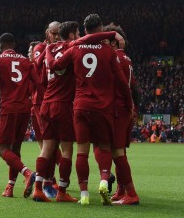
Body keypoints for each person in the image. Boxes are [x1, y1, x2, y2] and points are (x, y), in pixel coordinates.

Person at [45, 14, 132, 206]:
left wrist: (48, 51)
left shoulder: (75, 48)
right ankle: (103, 180)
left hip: (81, 105)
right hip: (103, 107)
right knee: (105, 147)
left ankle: (84, 193)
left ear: (84, 31)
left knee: (82, 151)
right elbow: (121, 81)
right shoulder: (108, 51)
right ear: (100, 29)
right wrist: (130, 103)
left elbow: (55, 66)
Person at [0, 33, 39, 198]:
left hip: (9, 108)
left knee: (2, 149)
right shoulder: (26, 61)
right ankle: (10, 187)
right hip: (25, 109)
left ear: (0, 46)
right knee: (15, 150)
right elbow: (38, 83)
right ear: (14, 45)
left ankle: (27, 173)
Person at [103, 23, 140, 205]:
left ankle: (131, 194)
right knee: (120, 152)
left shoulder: (114, 58)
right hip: (125, 109)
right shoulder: (126, 58)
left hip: (117, 109)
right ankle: (120, 190)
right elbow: (133, 87)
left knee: (117, 152)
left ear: (113, 43)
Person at [30, 21, 61, 198]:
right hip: (41, 102)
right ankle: (46, 182)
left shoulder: (61, 49)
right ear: (47, 33)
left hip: (55, 101)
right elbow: (35, 65)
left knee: (53, 144)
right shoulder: (40, 47)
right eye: (53, 34)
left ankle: (47, 178)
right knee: (47, 144)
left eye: (58, 34)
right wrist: (48, 49)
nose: (56, 37)